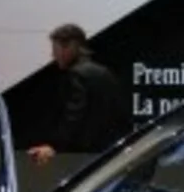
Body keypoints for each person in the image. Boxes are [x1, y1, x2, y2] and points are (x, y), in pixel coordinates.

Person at [27, 23, 131, 167]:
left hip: (80, 159)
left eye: (55, 49)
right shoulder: (105, 73)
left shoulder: (76, 75)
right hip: (109, 154)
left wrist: (54, 147)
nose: (53, 55)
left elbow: (73, 117)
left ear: (70, 47)